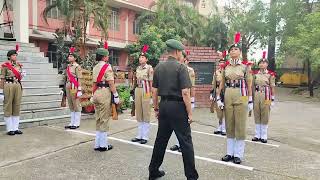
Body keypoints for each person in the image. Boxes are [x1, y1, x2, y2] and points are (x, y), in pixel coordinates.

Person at [148, 39, 198, 180]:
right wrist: (189, 112)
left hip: (164, 106)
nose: (182, 54)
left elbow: (154, 91)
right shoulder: (181, 68)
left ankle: (153, 171)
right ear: (176, 52)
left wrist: (156, 108)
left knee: (161, 140)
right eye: (181, 52)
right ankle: (191, 176)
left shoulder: (158, 67)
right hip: (178, 107)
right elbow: (185, 93)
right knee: (186, 142)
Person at [216, 32, 253, 164]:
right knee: (229, 124)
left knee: (240, 124)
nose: (233, 51)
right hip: (228, 94)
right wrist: (218, 98)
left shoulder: (245, 67)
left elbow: (249, 83)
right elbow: (221, 83)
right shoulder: (225, 67)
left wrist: (250, 100)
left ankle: (238, 154)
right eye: (231, 49)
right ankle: (229, 153)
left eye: (235, 49)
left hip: (241, 95)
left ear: (240, 52)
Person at [91, 42, 120, 151]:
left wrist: (92, 94)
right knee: (104, 119)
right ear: (104, 57)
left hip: (97, 92)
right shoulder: (107, 67)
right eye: (107, 55)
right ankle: (103, 145)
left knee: (98, 118)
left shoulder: (95, 67)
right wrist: (116, 95)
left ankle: (97, 144)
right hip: (104, 93)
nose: (108, 57)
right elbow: (111, 82)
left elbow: (94, 83)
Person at [170, 50, 195, 152]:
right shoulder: (174, 68)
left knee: (184, 124)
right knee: (176, 123)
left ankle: (183, 145)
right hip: (176, 99)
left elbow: (192, 87)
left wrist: (192, 100)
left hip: (186, 98)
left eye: (181, 56)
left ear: (185, 58)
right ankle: (177, 143)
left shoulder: (190, 71)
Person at [0, 45, 26, 135]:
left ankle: (15, 128)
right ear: (9, 56)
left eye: (16, 55)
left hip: (17, 85)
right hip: (8, 85)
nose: (15, 56)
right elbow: (2, 79)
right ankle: (9, 129)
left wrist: (22, 75)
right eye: (13, 55)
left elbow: (19, 77)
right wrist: (1, 92)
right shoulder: (5, 66)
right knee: (8, 106)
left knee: (16, 105)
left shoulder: (19, 65)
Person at [131, 45, 153, 144]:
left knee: (146, 112)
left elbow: (151, 82)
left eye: (143, 57)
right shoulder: (138, 68)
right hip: (138, 90)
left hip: (146, 90)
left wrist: (151, 95)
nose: (141, 58)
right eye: (140, 57)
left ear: (146, 59)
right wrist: (132, 91)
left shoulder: (149, 68)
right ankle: (139, 135)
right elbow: (135, 81)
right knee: (139, 111)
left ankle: (145, 136)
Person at [252, 51, 276, 143]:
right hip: (257, 94)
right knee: (257, 113)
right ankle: (257, 135)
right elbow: (252, 86)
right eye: (261, 63)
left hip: (267, 95)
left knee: (265, 114)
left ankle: (264, 135)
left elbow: (272, 87)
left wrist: (272, 99)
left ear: (267, 64)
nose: (262, 64)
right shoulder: (255, 74)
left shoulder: (270, 74)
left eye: (264, 63)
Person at [63, 47, 83, 129]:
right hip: (68, 85)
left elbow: (79, 78)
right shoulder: (68, 66)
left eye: (71, 56)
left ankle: (76, 123)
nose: (69, 57)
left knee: (76, 104)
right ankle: (71, 122)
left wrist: (79, 89)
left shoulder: (77, 67)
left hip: (74, 86)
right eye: (69, 56)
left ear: (75, 58)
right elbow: (65, 77)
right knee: (70, 104)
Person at [210, 51, 227, 136]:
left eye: (223, 62)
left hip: (226, 92)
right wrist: (211, 93)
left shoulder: (227, 71)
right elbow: (213, 83)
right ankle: (219, 127)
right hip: (217, 92)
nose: (221, 64)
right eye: (220, 62)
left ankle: (224, 128)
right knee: (218, 110)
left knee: (225, 110)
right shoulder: (216, 72)